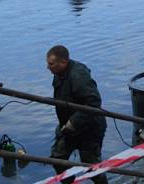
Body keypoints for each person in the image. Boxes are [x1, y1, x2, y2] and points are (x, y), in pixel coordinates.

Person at [46, 45, 108, 184]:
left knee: (92, 168)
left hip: (89, 128)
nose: (48, 67)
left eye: (51, 64)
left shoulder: (78, 75)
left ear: (63, 62)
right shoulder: (59, 74)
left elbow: (94, 101)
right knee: (57, 159)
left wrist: (73, 122)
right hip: (67, 126)